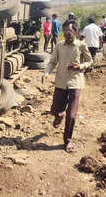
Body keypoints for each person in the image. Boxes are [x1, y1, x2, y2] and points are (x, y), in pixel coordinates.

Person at [41, 19, 92, 153]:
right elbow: (52, 62)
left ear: (75, 31)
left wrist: (80, 66)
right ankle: (59, 115)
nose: (66, 33)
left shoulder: (81, 45)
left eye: (69, 30)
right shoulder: (58, 45)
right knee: (55, 109)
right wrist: (46, 73)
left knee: (72, 114)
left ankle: (68, 140)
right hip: (61, 82)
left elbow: (89, 61)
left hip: (76, 82)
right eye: (64, 30)